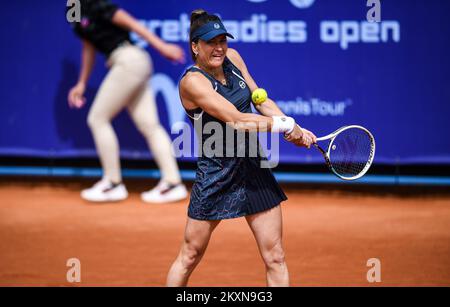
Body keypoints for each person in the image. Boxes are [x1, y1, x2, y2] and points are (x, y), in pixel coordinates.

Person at [166, 9, 317, 286]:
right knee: (190, 254)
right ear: (195, 46)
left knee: (275, 256)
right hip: (216, 173)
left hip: (253, 166)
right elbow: (236, 120)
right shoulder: (193, 82)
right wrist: (283, 125)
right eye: (211, 42)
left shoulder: (233, 58)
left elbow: (260, 99)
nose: (219, 47)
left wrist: (292, 125)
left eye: (222, 40)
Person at [67, 0, 188, 203]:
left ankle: (113, 183)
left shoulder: (97, 4)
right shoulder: (72, 9)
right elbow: (87, 45)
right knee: (149, 125)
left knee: (97, 119)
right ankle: (173, 183)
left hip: (129, 60)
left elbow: (132, 23)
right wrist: (81, 83)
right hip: (131, 63)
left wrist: (162, 46)